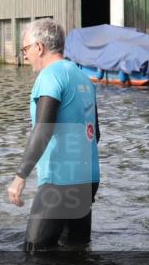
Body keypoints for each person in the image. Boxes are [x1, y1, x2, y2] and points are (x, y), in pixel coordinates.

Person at [7, 19, 100, 251]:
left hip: (59, 183)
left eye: (25, 49)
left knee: (34, 253)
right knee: (76, 254)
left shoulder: (50, 76)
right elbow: (95, 134)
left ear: (39, 47)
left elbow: (43, 129)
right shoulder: (84, 78)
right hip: (88, 179)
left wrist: (20, 177)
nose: (25, 56)